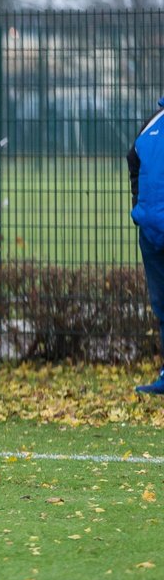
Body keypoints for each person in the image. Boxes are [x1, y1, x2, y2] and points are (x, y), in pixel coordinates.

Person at [128, 96, 164, 395]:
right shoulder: (152, 123)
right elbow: (133, 159)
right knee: (162, 306)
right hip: (151, 235)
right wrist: (138, 209)